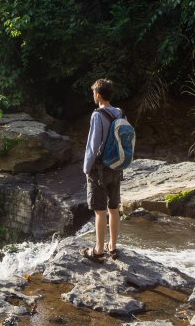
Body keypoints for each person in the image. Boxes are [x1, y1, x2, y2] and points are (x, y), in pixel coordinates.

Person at [81, 79, 124, 263]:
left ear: (98, 94)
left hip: (99, 169)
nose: (93, 96)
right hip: (116, 166)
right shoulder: (120, 113)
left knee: (99, 210)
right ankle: (112, 247)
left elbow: (93, 145)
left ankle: (98, 251)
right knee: (113, 208)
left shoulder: (97, 115)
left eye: (93, 93)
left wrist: (86, 168)